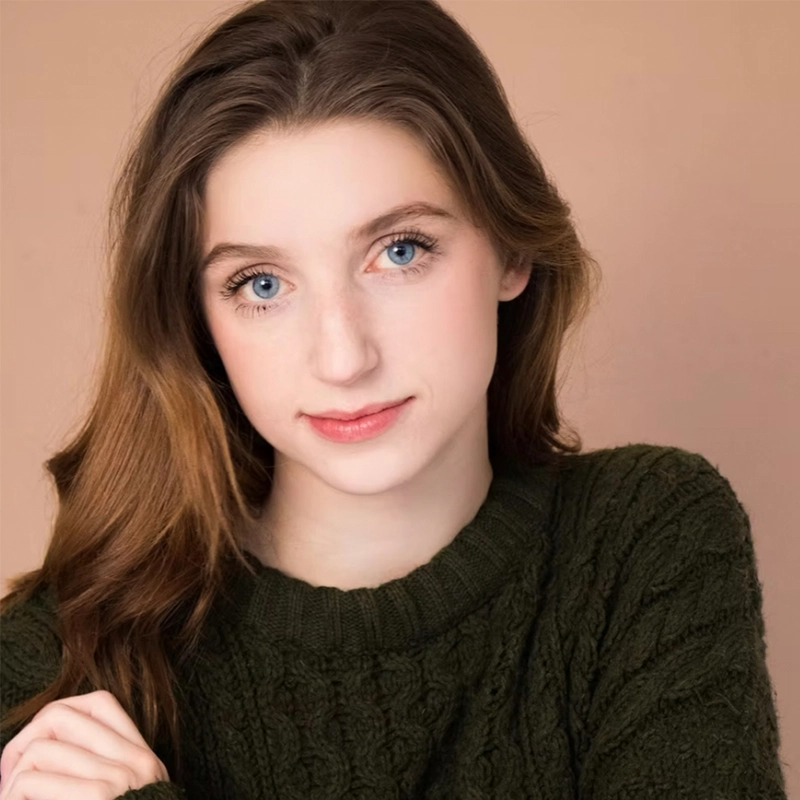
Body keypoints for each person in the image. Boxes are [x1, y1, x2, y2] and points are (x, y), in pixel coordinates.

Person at [0, 0, 787, 797]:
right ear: (196, 319)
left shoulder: (641, 542)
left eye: (399, 251)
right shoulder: (59, 665)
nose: (343, 357)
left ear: (511, 248)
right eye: (261, 284)